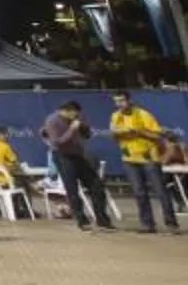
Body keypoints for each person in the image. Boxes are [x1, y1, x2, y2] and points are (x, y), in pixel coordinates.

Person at [39, 100, 114, 231]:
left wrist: (83, 127)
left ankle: (102, 220)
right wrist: (72, 129)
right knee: (72, 189)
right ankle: (81, 220)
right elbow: (58, 142)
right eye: (74, 114)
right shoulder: (52, 120)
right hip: (62, 155)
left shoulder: (77, 118)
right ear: (67, 111)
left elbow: (88, 134)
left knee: (96, 185)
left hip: (78, 154)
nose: (76, 117)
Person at [107, 93, 173, 233]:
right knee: (139, 192)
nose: (119, 104)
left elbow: (158, 136)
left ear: (129, 100)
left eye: (122, 100)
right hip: (129, 159)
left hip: (148, 158)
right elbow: (113, 135)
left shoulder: (144, 115)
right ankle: (147, 224)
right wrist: (117, 133)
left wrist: (140, 132)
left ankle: (171, 223)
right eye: (116, 101)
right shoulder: (115, 116)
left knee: (160, 191)